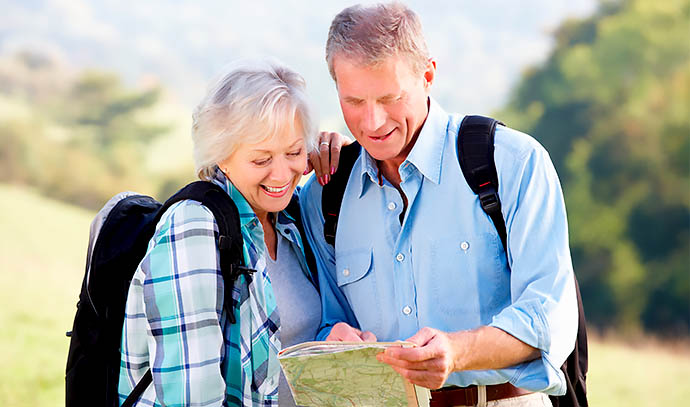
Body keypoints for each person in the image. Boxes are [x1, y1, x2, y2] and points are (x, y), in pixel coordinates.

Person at [299, 3, 578, 406]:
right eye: (354, 101)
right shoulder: (324, 196)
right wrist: (331, 339)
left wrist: (459, 351)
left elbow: (549, 316)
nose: (373, 122)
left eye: (390, 98)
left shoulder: (513, 163)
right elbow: (324, 318)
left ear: (428, 75)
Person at [117, 59, 346, 407]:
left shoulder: (289, 220)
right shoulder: (194, 229)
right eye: (261, 160)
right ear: (221, 155)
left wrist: (346, 156)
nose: (283, 174)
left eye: (294, 152)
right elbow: (191, 400)